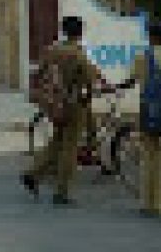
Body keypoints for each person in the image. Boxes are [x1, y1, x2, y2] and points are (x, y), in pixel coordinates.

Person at [21, 15, 103, 205]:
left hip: (55, 105)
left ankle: (33, 174)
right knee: (70, 148)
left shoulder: (52, 50)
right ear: (80, 32)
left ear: (64, 31)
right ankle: (62, 192)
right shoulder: (78, 54)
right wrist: (107, 87)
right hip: (74, 105)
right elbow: (92, 78)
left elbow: (39, 73)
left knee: (57, 141)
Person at [119, 20, 161, 220]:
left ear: (153, 38)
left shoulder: (142, 59)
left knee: (149, 158)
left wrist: (114, 88)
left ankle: (150, 204)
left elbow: (130, 82)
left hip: (148, 114)